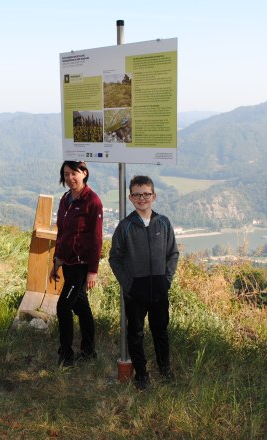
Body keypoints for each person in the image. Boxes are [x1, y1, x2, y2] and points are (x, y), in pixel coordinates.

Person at [109, 175, 179, 389]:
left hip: (159, 290)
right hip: (135, 292)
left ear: (154, 196)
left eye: (146, 194)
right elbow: (115, 258)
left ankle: (165, 370)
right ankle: (142, 374)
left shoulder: (163, 223)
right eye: (137, 195)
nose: (142, 198)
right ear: (130, 197)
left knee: (161, 331)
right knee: (136, 333)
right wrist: (128, 284)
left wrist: (166, 281)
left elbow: (172, 253)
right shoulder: (125, 227)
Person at [49, 160, 104, 367]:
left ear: (84, 173)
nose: (70, 178)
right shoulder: (65, 198)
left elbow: (97, 239)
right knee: (81, 308)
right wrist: (57, 260)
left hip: (82, 265)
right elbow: (62, 232)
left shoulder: (93, 201)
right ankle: (89, 351)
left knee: (64, 307)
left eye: (74, 173)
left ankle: (66, 356)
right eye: (66, 174)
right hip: (68, 263)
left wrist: (92, 271)